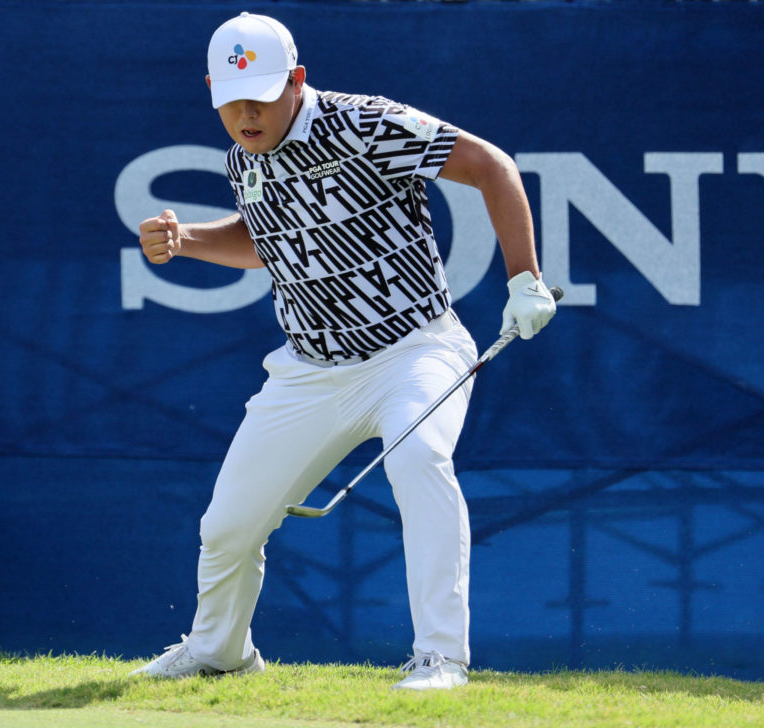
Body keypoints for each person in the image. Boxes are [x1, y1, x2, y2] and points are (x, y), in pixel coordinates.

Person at [129, 12, 556, 691]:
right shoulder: (244, 157)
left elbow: (491, 166)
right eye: (231, 100)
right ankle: (219, 651)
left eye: (262, 96)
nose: (246, 114)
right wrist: (188, 241)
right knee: (229, 527)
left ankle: (440, 657)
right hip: (309, 371)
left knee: (420, 458)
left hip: (416, 349)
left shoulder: (367, 123)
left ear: (297, 81)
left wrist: (525, 278)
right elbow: (264, 241)